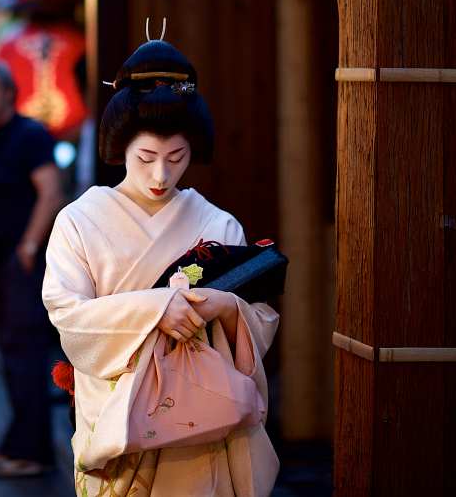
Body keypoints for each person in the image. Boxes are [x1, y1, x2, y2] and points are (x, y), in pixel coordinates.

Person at [41, 39, 280, 496]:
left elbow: (259, 316)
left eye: (177, 159)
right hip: (117, 417)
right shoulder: (79, 219)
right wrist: (157, 309)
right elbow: (66, 311)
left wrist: (225, 307)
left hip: (202, 421)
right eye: (146, 158)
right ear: (121, 149)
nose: (160, 176)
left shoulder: (217, 223)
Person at [0, 60, 65, 478]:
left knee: (25, 353)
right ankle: (23, 445)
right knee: (12, 353)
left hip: (28, 262)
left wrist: (28, 246)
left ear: (9, 92)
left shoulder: (30, 135)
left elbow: (51, 192)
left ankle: (32, 452)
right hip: (5, 263)